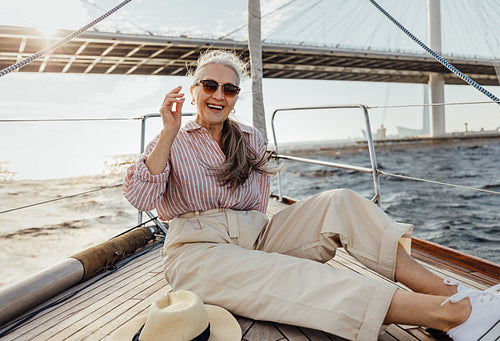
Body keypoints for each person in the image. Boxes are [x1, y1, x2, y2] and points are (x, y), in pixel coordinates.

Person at [123, 50, 499, 341]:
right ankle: (457, 315)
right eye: (209, 86)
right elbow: (140, 196)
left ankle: (453, 291)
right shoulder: (169, 140)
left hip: (256, 237)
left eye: (230, 89)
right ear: (193, 91)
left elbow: (258, 203)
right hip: (198, 249)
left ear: (236, 96)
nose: (219, 95)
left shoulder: (251, 138)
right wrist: (170, 131)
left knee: (341, 201)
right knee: (290, 274)